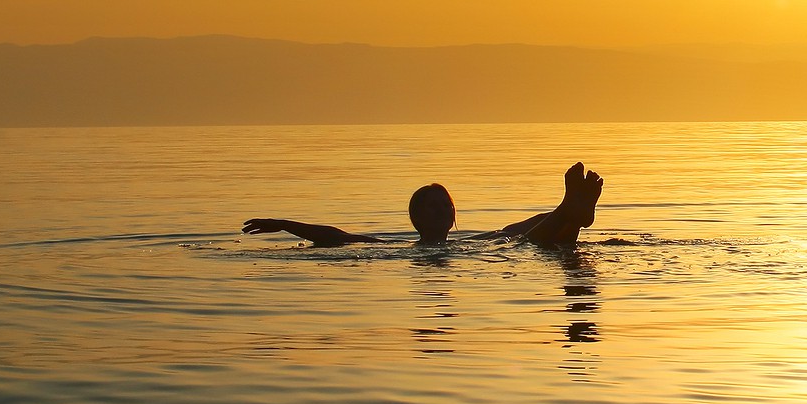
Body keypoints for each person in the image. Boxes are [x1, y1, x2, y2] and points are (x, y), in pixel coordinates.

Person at [241, 162, 604, 247]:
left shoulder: (471, 244)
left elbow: (523, 224)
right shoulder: (398, 250)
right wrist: (285, 223)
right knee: (529, 244)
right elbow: (339, 236)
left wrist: (548, 214)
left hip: (489, 250)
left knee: (517, 235)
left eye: (446, 205)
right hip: (494, 259)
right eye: (434, 207)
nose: (444, 211)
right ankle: (571, 211)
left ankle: (572, 213)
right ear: (415, 218)